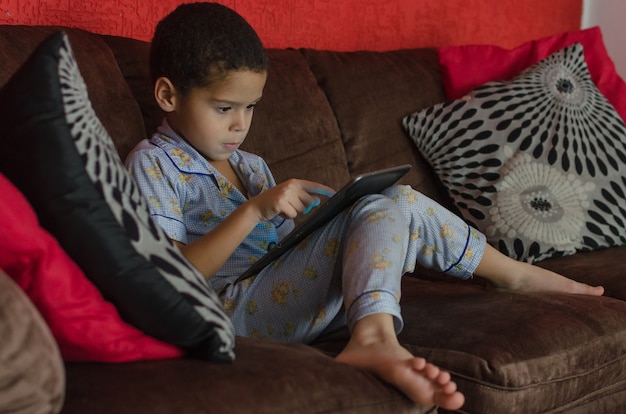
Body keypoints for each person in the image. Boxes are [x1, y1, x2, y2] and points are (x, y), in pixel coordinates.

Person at [125, 3, 604, 410]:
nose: (239, 126)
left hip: (284, 295)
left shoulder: (249, 166)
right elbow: (167, 276)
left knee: (393, 199)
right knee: (377, 207)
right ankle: (373, 339)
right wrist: (253, 211)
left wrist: (321, 221)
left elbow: (281, 251)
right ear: (168, 95)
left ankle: (511, 273)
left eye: (250, 108)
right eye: (224, 108)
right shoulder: (153, 164)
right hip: (232, 312)